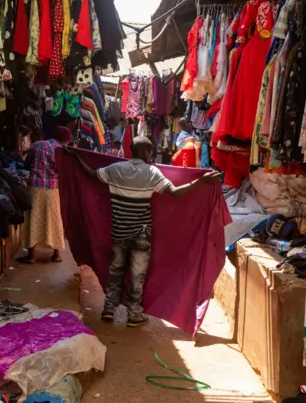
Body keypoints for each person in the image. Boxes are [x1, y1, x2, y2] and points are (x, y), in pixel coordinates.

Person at [71, 136, 220, 327]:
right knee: (137, 275)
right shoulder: (152, 172)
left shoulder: (115, 169)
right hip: (141, 232)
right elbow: (175, 192)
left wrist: (76, 158)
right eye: (150, 151)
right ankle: (134, 315)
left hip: (119, 230)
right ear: (146, 152)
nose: (151, 155)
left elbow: (91, 174)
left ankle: (109, 309)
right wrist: (200, 181)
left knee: (116, 269)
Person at [17, 126, 72, 264]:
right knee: (55, 219)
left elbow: (27, 164)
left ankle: (31, 256)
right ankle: (56, 254)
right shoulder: (63, 152)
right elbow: (64, 173)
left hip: (35, 188)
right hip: (53, 189)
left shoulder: (38, 145)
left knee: (33, 218)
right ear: (66, 140)